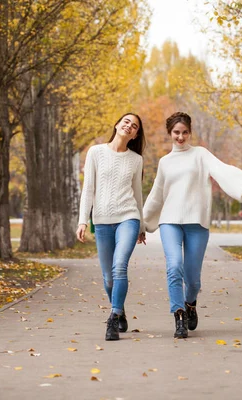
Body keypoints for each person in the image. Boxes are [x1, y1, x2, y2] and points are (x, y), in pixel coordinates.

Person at [142, 112, 242, 339]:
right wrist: (143, 225)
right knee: (174, 266)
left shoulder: (201, 155)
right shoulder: (164, 162)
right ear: (170, 133)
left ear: (190, 133)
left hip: (197, 222)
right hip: (170, 221)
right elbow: (157, 195)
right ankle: (178, 315)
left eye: (185, 132)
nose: (180, 137)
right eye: (176, 132)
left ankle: (190, 303)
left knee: (192, 278)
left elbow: (224, 170)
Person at [76, 113, 146, 341]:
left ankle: (113, 318)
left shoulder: (136, 159)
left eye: (134, 126)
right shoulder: (96, 152)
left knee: (119, 267)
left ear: (135, 134)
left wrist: (142, 225)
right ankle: (120, 308)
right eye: (126, 121)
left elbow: (137, 194)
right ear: (117, 125)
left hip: (128, 217)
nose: (129, 126)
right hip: (102, 221)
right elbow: (88, 189)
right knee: (108, 278)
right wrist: (82, 220)